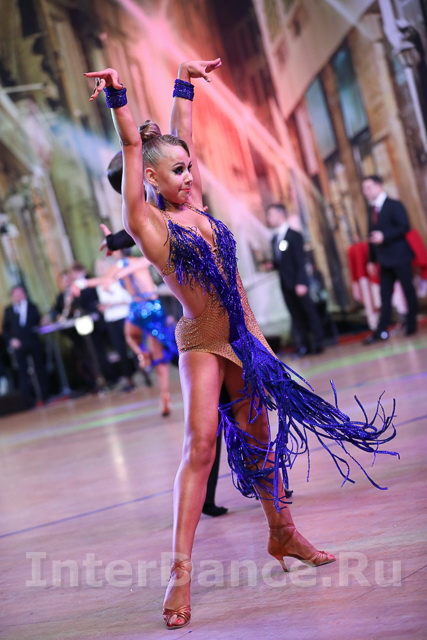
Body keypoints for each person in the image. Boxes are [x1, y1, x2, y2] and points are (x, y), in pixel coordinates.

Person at [85, 60, 396, 630]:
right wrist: (118, 98)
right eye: (176, 171)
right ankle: (180, 573)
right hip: (203, 342)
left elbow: (183, 134)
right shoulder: (148, 224)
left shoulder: (196, 204)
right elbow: (133, 146)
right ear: (150, 178)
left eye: (189, 167)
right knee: (200, 447)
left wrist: (184, 81)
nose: (188, 176)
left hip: (244, 340)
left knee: (258, 443)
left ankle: (284, 533)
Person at [77, 232, 177, 416]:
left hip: (149, 306)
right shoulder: (120, 265)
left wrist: (114, 277)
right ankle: (142, 355)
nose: (111, 254)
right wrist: (81, 284)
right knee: (130, 336)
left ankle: (162, 390)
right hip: (138, 307)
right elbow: (103, 280)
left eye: (114, 249)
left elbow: (130, 269)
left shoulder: (138, 261)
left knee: (155, 352)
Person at [362, 175, 418, 343]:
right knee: (384, 295)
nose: (366, 191)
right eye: (364, 189)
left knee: (408, 290)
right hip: (384, 259)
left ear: (379, 186)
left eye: (369, 187)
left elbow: (404, 226)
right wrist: (371, 260)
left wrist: (384, 236)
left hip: (400, 256)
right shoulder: (371, 210)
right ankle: (381, 330)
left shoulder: (394, 205)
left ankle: (411, 324)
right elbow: (371, 236)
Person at [265, 203, 324, 355]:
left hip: (298, 282)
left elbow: (300, 261)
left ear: (281, 215)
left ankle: (318, 342)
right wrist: (272, 265)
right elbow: (282, 261)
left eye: (271, 215)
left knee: (309, 312)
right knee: (296, 315)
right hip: (286, 284)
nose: (269, 218)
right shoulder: (275, 239)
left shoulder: (294, 236)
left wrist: (301, 282)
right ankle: (303, 345)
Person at [2, 284, 49, 407]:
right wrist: (11, 340)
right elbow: (5, 329)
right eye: (15, 294)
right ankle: (27, 399)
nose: (18, 296)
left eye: (20, 293)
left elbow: (38, 322)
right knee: (23, 372)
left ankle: (44, 396)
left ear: (25, 294)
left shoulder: (32, 307)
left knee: (39, 368)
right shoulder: (9, 310)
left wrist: (44, 322)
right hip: (18, 344)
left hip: (33, 341)